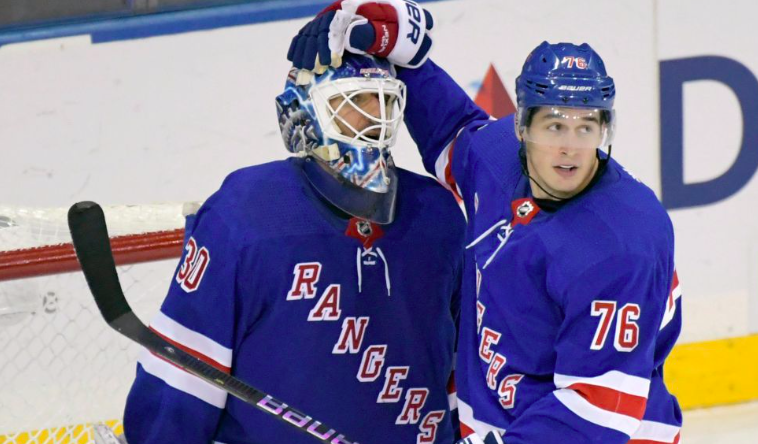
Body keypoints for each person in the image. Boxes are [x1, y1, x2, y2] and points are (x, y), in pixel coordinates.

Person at [288, 3, 684, 444]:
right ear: (521, 127)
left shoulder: (624, 242)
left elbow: (596, 406)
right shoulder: (497, 161)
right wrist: (407, 59)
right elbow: (452, 129)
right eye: (554, 126)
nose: (570, 147)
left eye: (586, 127)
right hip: (501, 423)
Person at [122, 53, 465, 444]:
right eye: (356, 99)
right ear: (305, 113)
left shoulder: (435, 214)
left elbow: (459, 365)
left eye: (385, 99)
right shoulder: (245, 213)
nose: (376, 116)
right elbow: (184, 374)